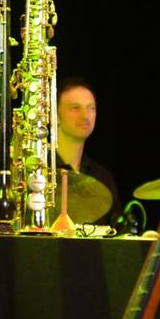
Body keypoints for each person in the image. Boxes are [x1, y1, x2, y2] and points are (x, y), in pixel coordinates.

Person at [53, 76, 119, 223]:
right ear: (56, 115)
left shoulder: (103, 178)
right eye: (75, 108)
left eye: (91, 108)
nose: (85, 116)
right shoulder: (38, 174)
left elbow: (115, 235)